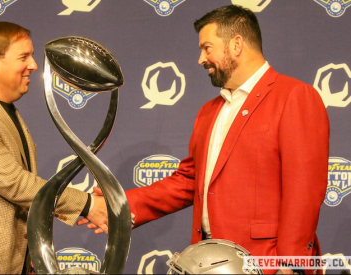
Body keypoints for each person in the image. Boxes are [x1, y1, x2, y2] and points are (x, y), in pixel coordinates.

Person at [79, 5, 329, 274]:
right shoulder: (209, 111)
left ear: (236, 45)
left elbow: (304, 190)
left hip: (265, 264)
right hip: (206, 263)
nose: (201, 58)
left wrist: (291, 265)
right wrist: (119, 204)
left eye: (207, 47)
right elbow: (188, 181)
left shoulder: (294, 96)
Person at [0, 21, 106, 274]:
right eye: (24, 56)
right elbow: (15, 183)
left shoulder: (3, 110)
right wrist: (87, 205)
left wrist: (30, 252)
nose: (33, 65)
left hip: (9, 260)